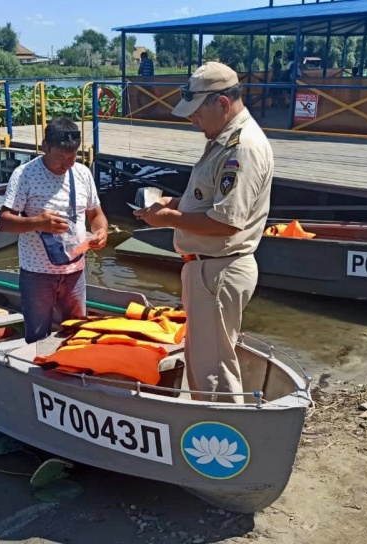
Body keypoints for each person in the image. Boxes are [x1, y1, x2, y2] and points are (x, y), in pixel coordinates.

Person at [134, 61, 274, 404]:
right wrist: (171, 201)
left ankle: (222, 439)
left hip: (220, 267)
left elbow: (227, 221)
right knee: (203, 358)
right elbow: (208, 200)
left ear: (223, 103)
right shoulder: (224, 140)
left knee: (214, 369)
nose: (192, 120)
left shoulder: (241, 148)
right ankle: (208, 428)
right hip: (209, 268)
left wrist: (168, 218)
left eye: (197, 113)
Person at [0, 118, 109, 343]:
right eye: (60, 157)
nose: (67, 164)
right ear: (45, 146)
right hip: (37, 272)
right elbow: (4, 222)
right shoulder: (24, 175)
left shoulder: (83, 173)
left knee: (77, 332)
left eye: (72, 157)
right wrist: (38, 223)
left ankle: (74, 373)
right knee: (38, 335)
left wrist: (101, 232)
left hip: (75, 271)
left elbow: (96, 215)